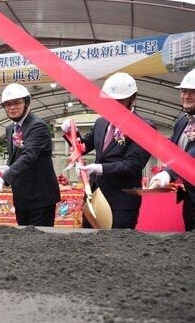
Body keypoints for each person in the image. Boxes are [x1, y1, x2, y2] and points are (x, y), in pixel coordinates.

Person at [61, 72, 154, 229]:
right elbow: (83, 145)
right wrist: (71, 132)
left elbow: (132, 165)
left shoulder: (143, 128)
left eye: (120, 101)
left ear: (133, 99)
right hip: (94, 198)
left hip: (120, 203)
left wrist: (98, 168)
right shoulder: (101, 122)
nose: (114, 105)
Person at [0, 83, 60, 226]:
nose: (12, 107)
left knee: (40, 242)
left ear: (26, 103)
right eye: (7, 104)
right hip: (21, 196)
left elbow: (28, 156)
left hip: (40, 197)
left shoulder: (37, 126)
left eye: (16, 103)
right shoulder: (10, 129)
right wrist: (7, 167)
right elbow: (15, 157)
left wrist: (3, 180)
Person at [149, 69, 195, 231]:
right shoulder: (182, 120)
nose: (186, 96)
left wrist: (168, 174)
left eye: (192, 92)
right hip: (190, 197)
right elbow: (173, 148)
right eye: (184, 91)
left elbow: (191, 156)